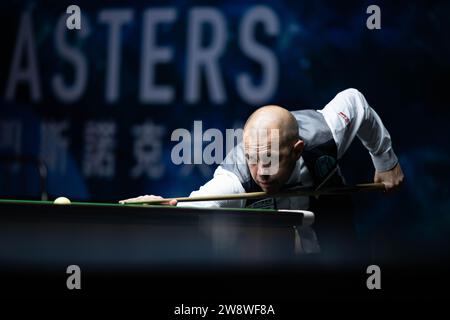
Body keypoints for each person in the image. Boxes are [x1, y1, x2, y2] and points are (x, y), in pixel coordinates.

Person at [120, 88, 404, 209]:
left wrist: (386, 162)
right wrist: (163, 207)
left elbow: (355, 102)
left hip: (335, 229)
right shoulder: (234, 177)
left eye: (270, 159)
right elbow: (202, 202)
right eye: (253, 158)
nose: (261, 172)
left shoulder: (324, 134)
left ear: (297, 149)